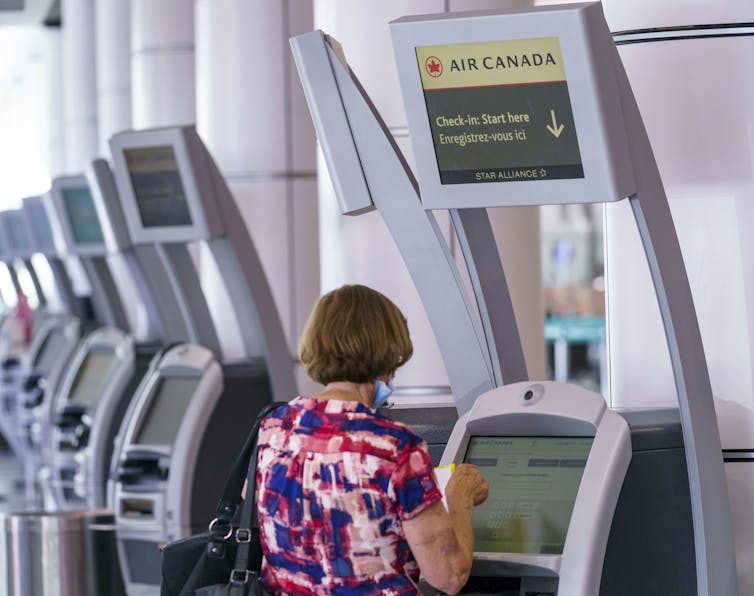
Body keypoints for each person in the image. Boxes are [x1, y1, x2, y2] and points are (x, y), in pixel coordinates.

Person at [254, 284, 489, 595]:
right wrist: (460, 498)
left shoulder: (274, 428)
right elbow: (448, 575)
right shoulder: (394, 446)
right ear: (388, 350)